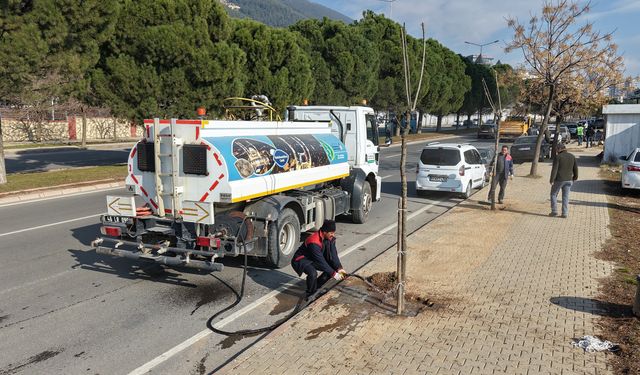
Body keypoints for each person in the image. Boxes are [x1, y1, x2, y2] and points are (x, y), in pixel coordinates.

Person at [291, 220, 347, 299]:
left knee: (332, 268)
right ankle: (310, 294)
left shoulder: (330, 239)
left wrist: (339, 268)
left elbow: (333, 255)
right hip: (301, 260)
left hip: (312, 258)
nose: (333, 235)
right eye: (331, 233)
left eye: (333, 232)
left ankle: (316, 286)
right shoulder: (314, 241)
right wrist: (334, 274)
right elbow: (320, 261)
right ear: (324, 232)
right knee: (312, 273)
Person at [549, 143, 578, 218]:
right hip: (569, 180)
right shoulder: (572, 156)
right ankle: (564, 213)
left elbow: (554, 169)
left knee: (553, 194)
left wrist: (552, 179)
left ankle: (554, 211)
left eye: (556, 149)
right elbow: (575, 169)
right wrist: (575, 177)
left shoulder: (558, 157)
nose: (556, 151)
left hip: (559, 179)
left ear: (559, 149)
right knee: (565, 197)